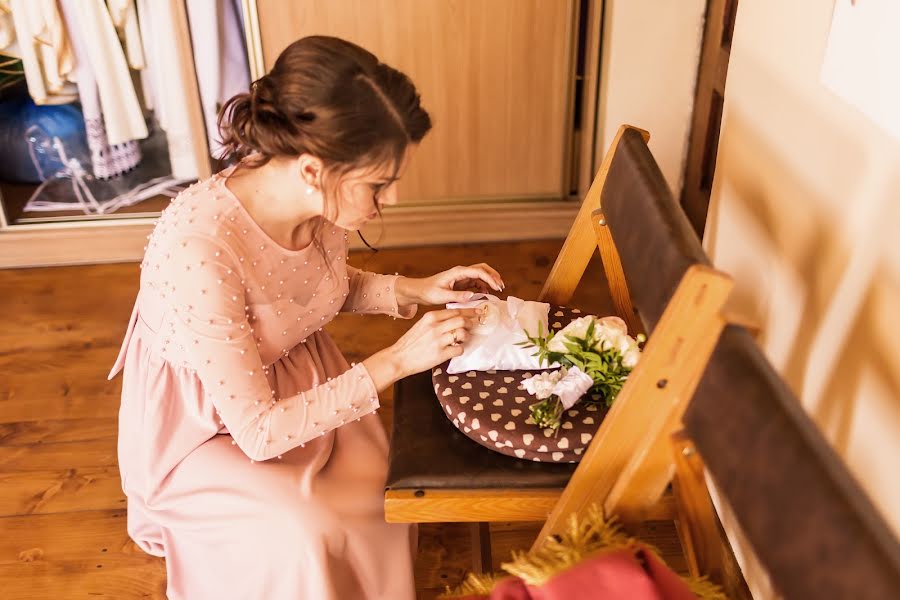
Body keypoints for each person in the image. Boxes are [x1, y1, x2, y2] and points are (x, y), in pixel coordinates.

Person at [108, 36, 505, 599]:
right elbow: (260, 431)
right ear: (314, 169)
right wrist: (396, 360)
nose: (389, 199)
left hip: (295, 378)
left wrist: (415, 290)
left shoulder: (317, 204)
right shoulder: (200, 248)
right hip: (210, 426)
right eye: (378, 184)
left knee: (375, 487)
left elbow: (308, 291)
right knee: (305, 530)